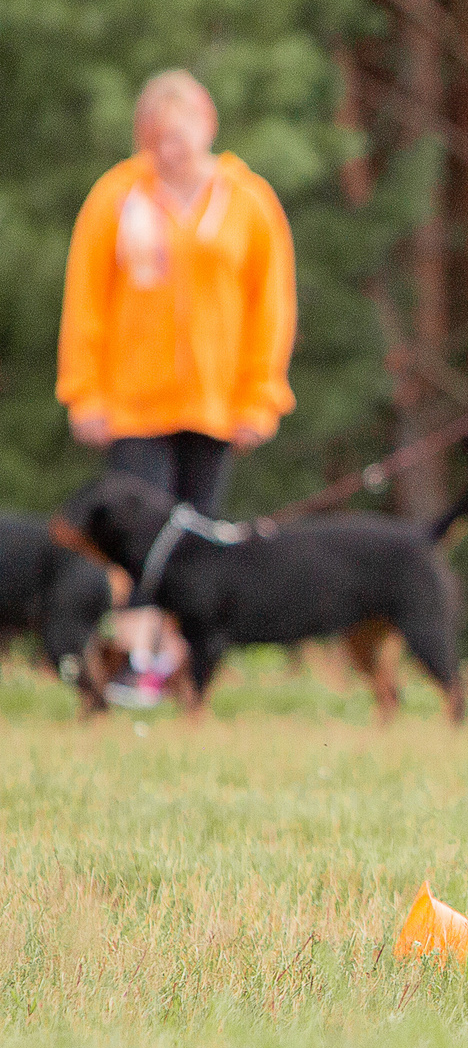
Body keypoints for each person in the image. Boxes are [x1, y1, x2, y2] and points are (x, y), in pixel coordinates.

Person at [58, 69, 297, 706]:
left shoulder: (248, 201)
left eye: (182, 133)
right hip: (131, 403)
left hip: (216, 404)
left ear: (207, 126)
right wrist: (84, 391)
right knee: (134, 540)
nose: (172, 148)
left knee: (197, 542)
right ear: (145, 139)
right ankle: (133, 665)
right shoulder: (115, 198)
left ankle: (178, 670)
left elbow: (270, 308)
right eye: (159, 137)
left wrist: (261, 397)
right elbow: (85, 301)